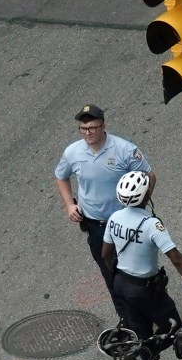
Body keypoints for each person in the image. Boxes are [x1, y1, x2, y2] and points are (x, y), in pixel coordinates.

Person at [99, 171, 182, 360]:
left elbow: (105, 254)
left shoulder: (114, 217)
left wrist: (120, 274)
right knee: (173, 328)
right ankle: (142, 356)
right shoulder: (152, 225)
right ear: (147, 195)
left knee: (141, 334)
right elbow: (177, 259)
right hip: (146, 290)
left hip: (122, 284)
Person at [54, 104, 149, 266]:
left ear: (104, 126)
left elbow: (148, 176)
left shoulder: (124, 149)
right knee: (108, 270)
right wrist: (69, 205)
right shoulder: (73, 152)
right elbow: (60, 176)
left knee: (138, 268)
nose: (87, 133)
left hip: (126, 221)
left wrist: (140, 207)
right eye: (83, 129)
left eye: (92, 128)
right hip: (95, 225)